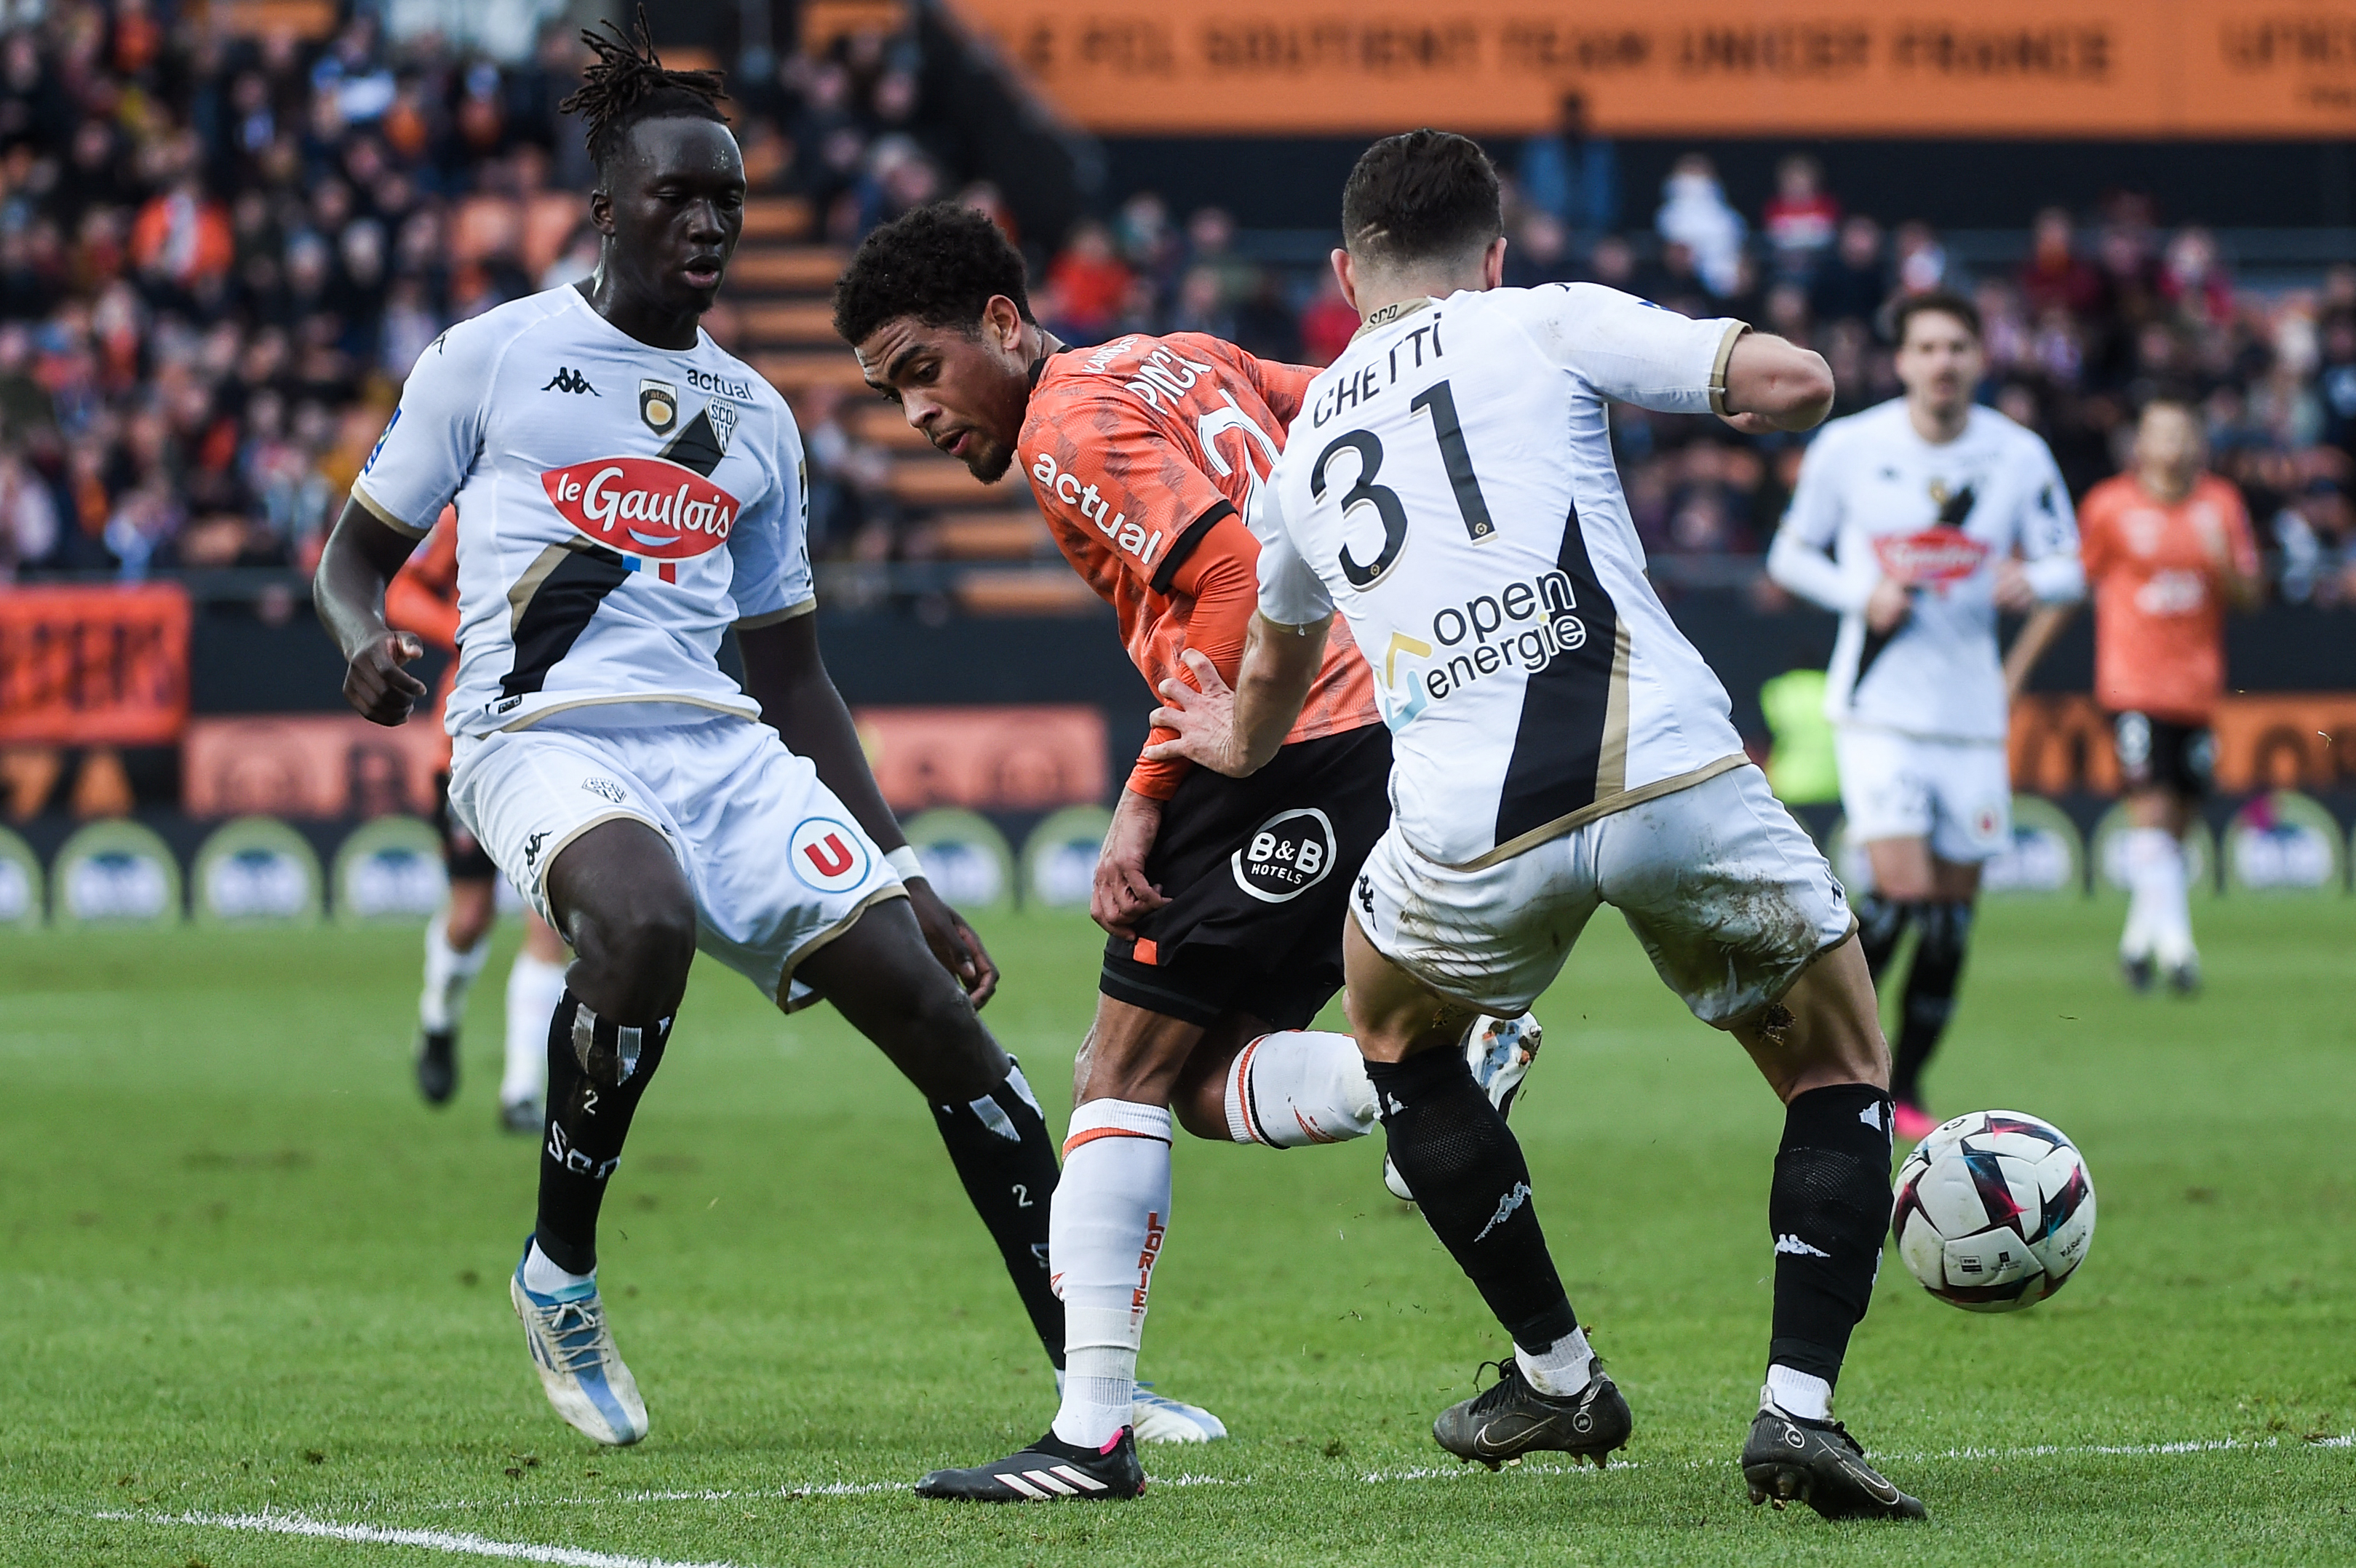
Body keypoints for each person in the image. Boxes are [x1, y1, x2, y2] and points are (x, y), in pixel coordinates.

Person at [311, 15, 1185, 1454]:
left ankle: (1092, 1377)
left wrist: (901, 871)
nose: (711, 221)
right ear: (607, 210)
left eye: (729, 198)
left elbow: (793, 681)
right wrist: (364, 645)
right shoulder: (494, 357)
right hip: (537, 735)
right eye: (679, 196)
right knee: (638, 921)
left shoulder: (754, 418)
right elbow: (354, 557)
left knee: (941, 1022)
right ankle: (561, 1273)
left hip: (721, 751)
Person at [1153, 129, 1927, 1521]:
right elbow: (1789, 381)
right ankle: (1796, 1410)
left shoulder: (1308, 435)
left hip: (1461, 829)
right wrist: (1774, 402)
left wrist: (1220, 739)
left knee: (1392, 1039)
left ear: (1344, 275)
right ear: (1492, 254)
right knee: (1839, 1061)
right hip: (1667, 775)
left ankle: (1557, 1374)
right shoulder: (1542, 321)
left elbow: (1262, 702)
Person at [834, 202, 1541, 1501]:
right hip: (1386, 719)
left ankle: (1089, 1436)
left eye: (923, 371)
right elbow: (1344, 391)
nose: (918, 414)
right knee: (1201, 1082)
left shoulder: (1063, 423)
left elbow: (1225, 583)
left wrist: (1144, 793)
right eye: (891, 394)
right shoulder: (1181, 356)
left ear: (1001, 321)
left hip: (1287, 736)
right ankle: (1428, 1076)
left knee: (1115, 1069)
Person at [1767, 290, 2084, 1143]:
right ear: (1901, 361)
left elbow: (2068, 563)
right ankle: (1836, 1057)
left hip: (1971, 714)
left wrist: (2037, 581)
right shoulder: (1849, 447)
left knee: (1948, 915)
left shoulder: (2016, 457)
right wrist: (1858, 590)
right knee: (1901, 893)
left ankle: (1903, 1083)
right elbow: (1790, 552)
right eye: (1927, 347)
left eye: (1956, 347)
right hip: (1879, 710)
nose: (1942, 362)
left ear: (1979, 358)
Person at [385, 505, 569, 1132]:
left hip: (562, 738)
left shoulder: (609, 492)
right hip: (468, 744)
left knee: (551, 920)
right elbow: (401, 589)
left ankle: (521, 1090)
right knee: (470, 915)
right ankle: (439, 1017)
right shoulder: (475, 503)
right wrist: (463, 628)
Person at [2074, 399, 2260, 991]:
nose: (2174, 445)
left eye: (2183, 433)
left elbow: (2251, 596)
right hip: (2132, 681)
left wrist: (2223, 560)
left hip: (2197, 687)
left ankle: (2136, 945)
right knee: (2149, 807)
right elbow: (2079, 577)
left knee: (2177, 819)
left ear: (2198, 442)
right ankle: (2180, 952)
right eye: (2162, 433)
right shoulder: (2109, 506)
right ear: (2141, 444)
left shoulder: (2222, 505)